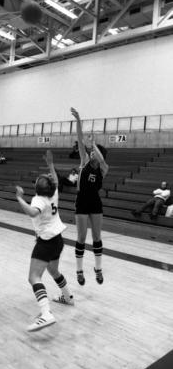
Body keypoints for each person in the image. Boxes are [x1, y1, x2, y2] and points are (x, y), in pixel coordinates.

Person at [15, 150, 74, 333]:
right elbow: (55, 179)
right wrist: (50, 164)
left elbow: (33, 212)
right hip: (58, 240)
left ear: (37, 188)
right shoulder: (53, 193)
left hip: (46, 241)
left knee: (33, 277)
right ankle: (67, 297)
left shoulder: (38, 199)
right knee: (53, 270)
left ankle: (46, 313)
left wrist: (19, 198)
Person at [71, 107, 109, 286]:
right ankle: (79, 270)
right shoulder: (84, 161)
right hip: (82, 202)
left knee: (97, 237)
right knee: (80, 238)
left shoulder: (103, 169)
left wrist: (93, 144)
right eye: (91, 151)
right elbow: (79, 139)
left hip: (95, 202)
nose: (91, 152)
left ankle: (98, 268)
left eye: (94, 151)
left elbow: (102, 161)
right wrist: (79, 120)